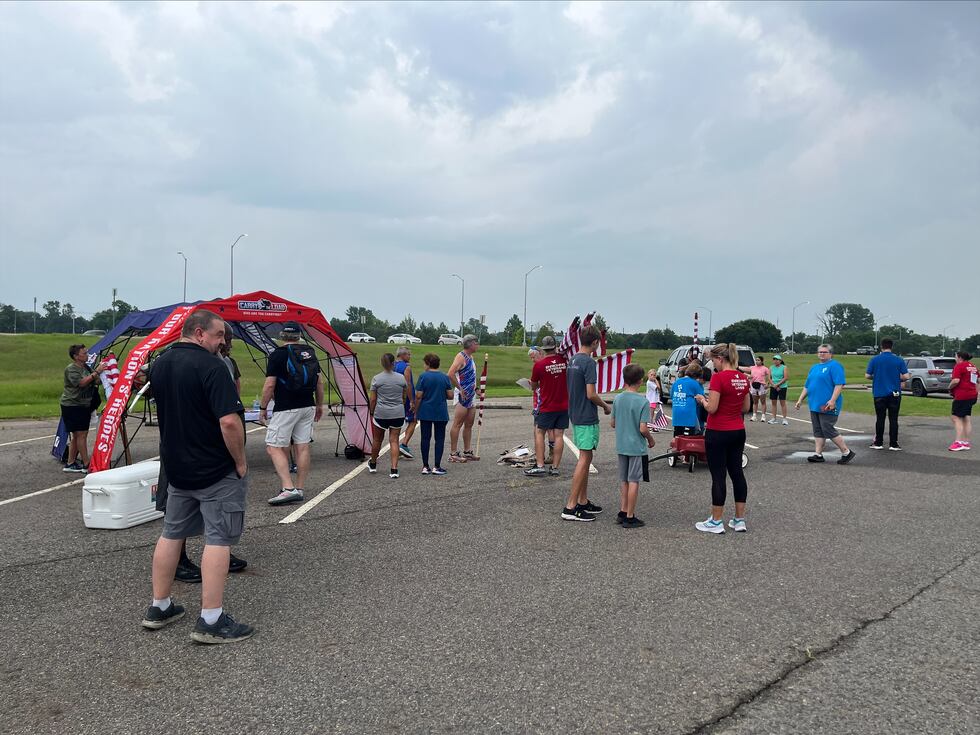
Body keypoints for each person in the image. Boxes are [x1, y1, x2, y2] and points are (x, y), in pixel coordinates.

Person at [141, 309, 254, 644]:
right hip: (214, 469)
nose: (223, 343)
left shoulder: (161, 363)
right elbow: (230, 422)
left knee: (171, 533)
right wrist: (241, 461)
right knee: (218, 538)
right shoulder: (212, 367)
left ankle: (159, 606)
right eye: (219, 336)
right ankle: (211, 618)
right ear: (200, 332)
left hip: (176, 468)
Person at [259, 322, 324, 505]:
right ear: (298, 335)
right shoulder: (309, 353)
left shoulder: (278, 355)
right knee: (302, 446)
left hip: (286, 406)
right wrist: (319, 404)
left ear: (282, 336)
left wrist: (263, 407)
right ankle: (300, 488)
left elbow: (270, 384)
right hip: (308, 405)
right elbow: (319, 383)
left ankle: (288, 488)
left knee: (273, 446)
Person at [694, 343, 751, 534]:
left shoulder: (719, 378)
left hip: (718, 431)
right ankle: (739, 519)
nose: (713, 365)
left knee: (718, 476)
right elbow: (745, 408)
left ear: (720, 359)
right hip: (738, 430)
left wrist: (702, 399)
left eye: (712, 360)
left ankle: (716, 520)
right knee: (737, 473)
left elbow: (712, 408)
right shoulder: (743, 378)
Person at [562, 325, 608, 522]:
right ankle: (571, 506)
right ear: (596, 342)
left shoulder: (573, 360)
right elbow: (591, 394)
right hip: (586, 415)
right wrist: (605, 406)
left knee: (586, 457)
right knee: (584, 458)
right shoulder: (588, 363)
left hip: (575, 412)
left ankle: (582, 500)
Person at [795, 344, 855, 465]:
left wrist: (832, 400)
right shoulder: (814, 367)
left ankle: (846, 452)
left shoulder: (835, 366)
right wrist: (800, 399)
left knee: (827, 428)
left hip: (827, 404)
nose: (821, 354)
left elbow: (839, 384)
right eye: (820, 352)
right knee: (818, 429)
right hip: (814, 404)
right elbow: (807, 386)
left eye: (825, 352)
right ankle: (818, 454)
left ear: (830, 354)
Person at [612, 364, 655, 528]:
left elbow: (613, 423)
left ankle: (622, 511)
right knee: (634, 480)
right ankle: (630, 516)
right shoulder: (643, 401)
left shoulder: (618, 398)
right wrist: (650, 439)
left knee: (623, 480)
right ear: (640, 381)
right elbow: (643, 428)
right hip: (636, 447)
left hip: (621, 445)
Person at [524, 335, 568, 478]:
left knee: (539, 432)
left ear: (543, 349)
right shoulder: (564, 361)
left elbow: (534, 386)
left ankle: (540, 465)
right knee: (559, 435)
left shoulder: (539, 365)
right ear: (555, 347)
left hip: (547, 405)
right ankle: (555, 467)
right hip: (563, 404)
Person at [59, 344, 108, 473]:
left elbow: (95, 381)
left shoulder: (86, 367)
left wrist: (103, 374)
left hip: (83, 405)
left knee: (77, 435)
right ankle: (86, 464)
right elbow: (81, 383)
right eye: (84, 353)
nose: (87, 355)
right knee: (81, 434)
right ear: (76, 356)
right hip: (73, 405)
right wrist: (97, 372)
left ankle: (70, 463)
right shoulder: (72, 369)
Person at [865, 339, 910, 451]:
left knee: (880, 418)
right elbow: (906, 376)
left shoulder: (875, 359)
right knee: (893, 419)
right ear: (891, 347)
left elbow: (867, 375)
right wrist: (896, 377)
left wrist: (877, 376)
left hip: (879, 393)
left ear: (881, 347)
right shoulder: (898, 360)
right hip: (894, 393)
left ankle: (878, 442)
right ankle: (893, 444)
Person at [368, 353, 408, 478]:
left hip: (381, 413)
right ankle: (394, 469)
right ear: (393, 363)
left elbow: (373, 399)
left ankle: (373, 463)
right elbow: (404, 396)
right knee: (394, 440)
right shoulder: (401, 378)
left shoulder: (376, 379)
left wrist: (371, 411)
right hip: (397, 412)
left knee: (377, 439)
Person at [412, 353, 453, 474]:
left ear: (428, 364)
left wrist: (416, 411)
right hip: (440, 411)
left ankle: (425, 466)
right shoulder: (444, 377)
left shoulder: (423, 376)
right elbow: (450, 395)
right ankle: (437, 466)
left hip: (426, 411)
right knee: (439, 439)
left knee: (425, 438)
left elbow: (419, 396)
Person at [448, 334, 480, 462]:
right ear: (470, 344)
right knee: (458, 423)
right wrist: (460, 388)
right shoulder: (461, 357)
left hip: (471, 395)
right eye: (476, 343)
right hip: (463, 395)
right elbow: (450, 374)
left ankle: (467, 451)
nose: (477, 345)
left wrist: (477, 389)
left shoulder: (470, 357)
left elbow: (471, 375)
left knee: (469, 423)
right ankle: (453, 453)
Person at [948, 351, 977, 451]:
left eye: (955, 356)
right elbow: (978, 380)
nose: (955, 358)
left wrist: (949, 386)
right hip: (972, 395)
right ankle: (966, 442)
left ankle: (958, 442)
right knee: (966, 418)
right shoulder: (973, 366)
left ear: (960, 357)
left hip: (962, 396)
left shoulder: (959, 366)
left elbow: (956, 380)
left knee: (955, 417)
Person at [394, 346, 418, 460]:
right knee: (413, 421)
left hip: (395, 397)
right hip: (406, 398)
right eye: (408, 354)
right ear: (402, 355)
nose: (410, 356)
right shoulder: (406, 367)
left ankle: (395, 447)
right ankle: (404, 444)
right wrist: (412, 400)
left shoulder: (392, 366)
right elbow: (408, 384)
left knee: (396, 423)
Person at [670, 363, 706, 436]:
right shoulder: (695, 384)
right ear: (697, 376)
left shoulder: (676, 382)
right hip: (688, 417)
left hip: (676, 415)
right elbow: (701, 398)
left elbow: (671, 396)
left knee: (678, 437)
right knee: (688, 439)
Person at [219, 324, 242, 395]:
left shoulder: (229, 362)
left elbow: (236, 384)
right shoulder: (201, 364)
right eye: (227, 340)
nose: (230, 346)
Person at [766, 355, 790, 425]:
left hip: (782, 387)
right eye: (774, 359)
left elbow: (785, 378)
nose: (775, 361)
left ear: (780, 360)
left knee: (782, 403)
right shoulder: (771, 367)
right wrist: (774, 385)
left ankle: (784, 419)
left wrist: (777, 385)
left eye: (777, 360)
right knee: (774, 403)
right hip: (773, 386)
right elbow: (769, 378)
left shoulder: (784, 367)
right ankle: (773, 418)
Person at [745, 356, 770, 422]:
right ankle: (754, 416)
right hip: (753, 385)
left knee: (763, 401)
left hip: (762, 386)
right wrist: (748, 376)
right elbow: (747, 373)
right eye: (756, 360)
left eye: (758, 360)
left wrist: (767, 384)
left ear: (762, 361)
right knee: (755, 402)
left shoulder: (765, 368)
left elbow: (770, 376)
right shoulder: (752, 368)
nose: (757, 361)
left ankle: (763, 416)